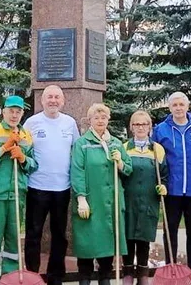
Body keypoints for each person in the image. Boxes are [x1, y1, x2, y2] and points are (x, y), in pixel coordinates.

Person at [152, 92, 191, 275]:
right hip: (171, 191)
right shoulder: (161, 130)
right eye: (175, 105)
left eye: (182, 104)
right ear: (170, 107)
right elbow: (155, 160)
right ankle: (171, 269)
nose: (178, 108)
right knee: (170, 231)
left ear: (188, 107)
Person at [0, 96, 38, 285]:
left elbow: (33, 165)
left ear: (22, 114)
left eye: (18, 111)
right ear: (3, 112)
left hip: (17, 194)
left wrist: (22, 159)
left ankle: (10, 279)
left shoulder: (26, 136)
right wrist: (4, 148)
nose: (14, 115)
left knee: (13, 242)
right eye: (11, 110)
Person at [23, 85, 80, 285]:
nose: (53, 100)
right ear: (42, 100)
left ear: (62, 101)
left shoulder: (70, 123)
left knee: (59, 235)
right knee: (33, 234)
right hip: (37, 187)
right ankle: (32, 275)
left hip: (62, 189)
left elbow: (77, 151)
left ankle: (56, 276)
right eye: (49, 97)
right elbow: (23, 151)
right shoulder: (31, 122)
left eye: (57, 97)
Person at [71, 103, 133, 285]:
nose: (100, 121)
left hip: (111, 202)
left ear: (108, 120)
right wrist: (81, 198)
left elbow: (128, 169)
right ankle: (84, 278)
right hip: (91, 201)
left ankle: (105, 277)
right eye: (96, 117)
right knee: (87, 242)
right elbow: (77, 171)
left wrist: (120, 162)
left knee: (108, 241)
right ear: (90, 120)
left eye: (103, 117)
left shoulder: (116, 143)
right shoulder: (82, 144)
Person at [121, 110, 167, 285]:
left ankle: (142, 274)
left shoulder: (157, 150)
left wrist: (163, 186)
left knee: (143, 239)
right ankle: (127, 273)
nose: (140, 127)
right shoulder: (125, 148)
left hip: (148, 200)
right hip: (128, 199)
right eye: (137, 124)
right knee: (128, 237)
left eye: (144, 124)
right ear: (132, 128)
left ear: (150, 127)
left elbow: (164, 175)